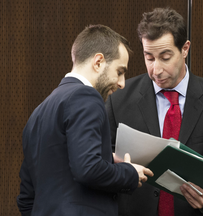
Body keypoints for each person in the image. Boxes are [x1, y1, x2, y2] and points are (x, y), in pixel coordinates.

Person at [106, 8, 203, 216]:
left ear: (185, 49)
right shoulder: (119, 99)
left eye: (165, 57)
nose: (156, 69)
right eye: (149, 58)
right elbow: (104, 159)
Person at [17, 24, 153, 216]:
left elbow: (26, 198)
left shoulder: (38, 113)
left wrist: (106, 159)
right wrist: (129, 173)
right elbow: (88, 168)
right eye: (120, 71)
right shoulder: (86, 97)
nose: (122, 83)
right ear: (98, 62)